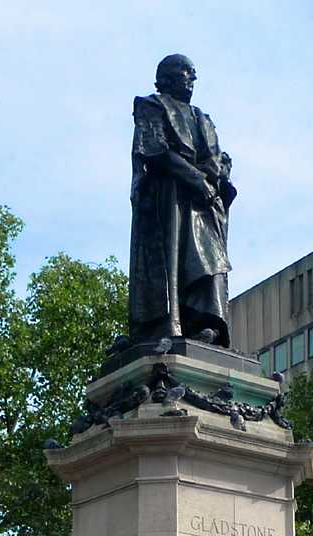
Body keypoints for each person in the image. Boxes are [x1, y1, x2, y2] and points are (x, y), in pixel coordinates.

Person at [128, 54, 237, 348]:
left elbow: (215, 159)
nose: (192, 79)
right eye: (187, 72)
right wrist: (196, 179)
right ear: (167, 77)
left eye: (193, 73)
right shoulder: (152, 106)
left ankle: (208, 325)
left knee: (212, 261)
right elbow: (155, 150)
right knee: (175, 264)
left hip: (205, 203)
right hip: (169, 200)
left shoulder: (203, 118)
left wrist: (217, 174)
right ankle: (169, 323)